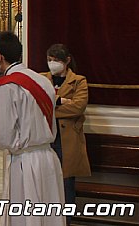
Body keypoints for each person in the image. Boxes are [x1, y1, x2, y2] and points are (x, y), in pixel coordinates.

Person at [0, 31, 64, 226]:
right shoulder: (42, 80)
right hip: (48, 157)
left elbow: (2, 137)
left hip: (25, 162)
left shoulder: (7, 86)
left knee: (25, 217)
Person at [43, 43, 90, 215]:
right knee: (45, 183)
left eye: (56, 60)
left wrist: (50, 106)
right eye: (49, 60)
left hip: (67, 141)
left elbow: (78, 107)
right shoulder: (41, 78)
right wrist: (61, 101)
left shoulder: (79, 81)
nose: (52, 63)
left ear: (67, 61)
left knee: (66, 184)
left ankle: (66, 220)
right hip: (46, 137)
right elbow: (36, 104)